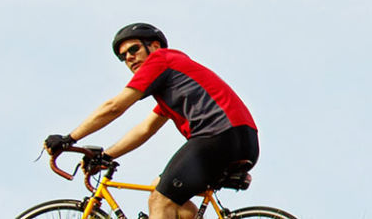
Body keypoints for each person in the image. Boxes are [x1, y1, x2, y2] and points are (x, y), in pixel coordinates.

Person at [42, 24, 259, 219]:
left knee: (160, 201)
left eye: (134, 49)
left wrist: (69, 138)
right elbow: (145, 129)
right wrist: (107, 156)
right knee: (161, 190)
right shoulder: (174, 81)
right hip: (242, 140)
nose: (129, 58)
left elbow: (114, 107)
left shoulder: (161, 60)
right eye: (123, 56)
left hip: (217, 136)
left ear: (154, 46)